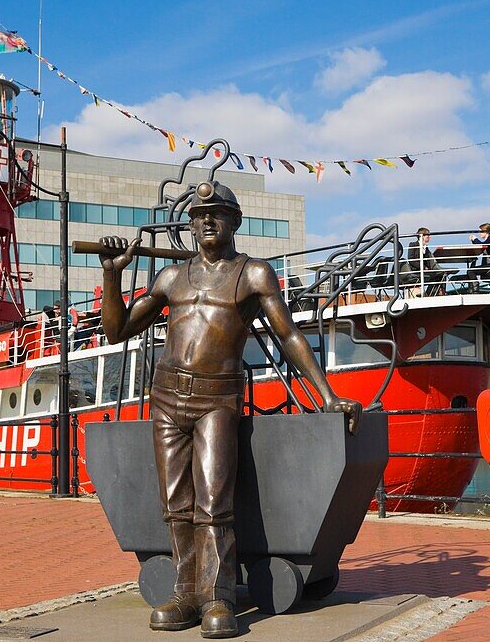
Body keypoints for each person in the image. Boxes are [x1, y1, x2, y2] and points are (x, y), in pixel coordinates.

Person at [99, 181, 361, 639]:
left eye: (216, 214)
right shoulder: (171, 279)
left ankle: (218, 595)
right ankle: (185, 592)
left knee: (214, 503)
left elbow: (290, 336)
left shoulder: (253, 275)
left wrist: (328, 396)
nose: (206, 222)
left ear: (235, 221)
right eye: (199, 216)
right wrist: (111, 275)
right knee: (175, 505)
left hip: (217, 400)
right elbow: (116, 331)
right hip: (166, 398)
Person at [404, 227, 448, 296]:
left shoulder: (426, 248)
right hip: (416, 271)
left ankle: (436, 293)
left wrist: (432, 268)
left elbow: (429, 261)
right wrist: (424, 267)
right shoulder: (413, 245)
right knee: (435, 276)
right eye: (427, 235)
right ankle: (429, 294)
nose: (429, 237)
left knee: (441, 275)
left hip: (425, 270)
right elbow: (411, 259)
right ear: (422, 236)